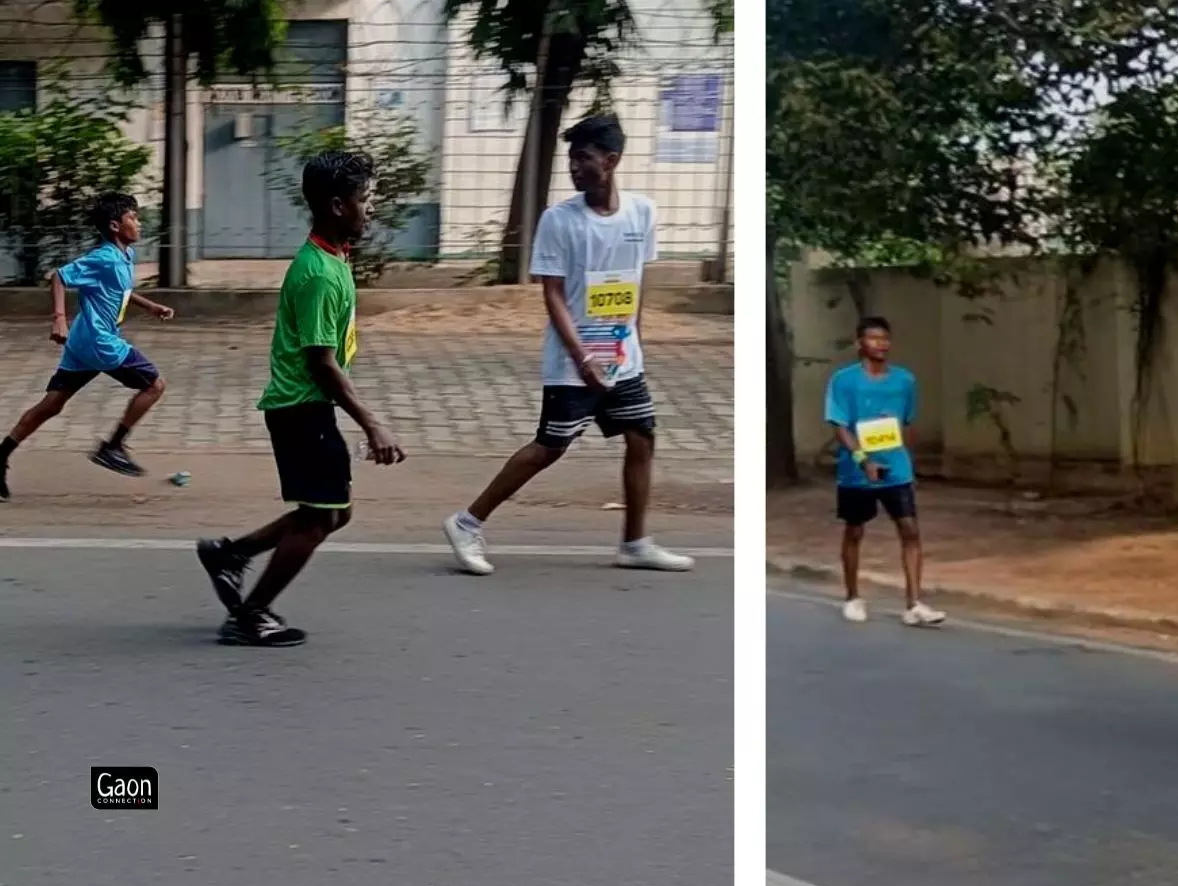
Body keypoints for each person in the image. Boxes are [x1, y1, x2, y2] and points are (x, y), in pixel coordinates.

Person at [441, 113, 693, 575]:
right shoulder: (559, 221)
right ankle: (466, 522)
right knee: (550, 446)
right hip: (573, 359)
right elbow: (552, 294)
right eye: (572, 159)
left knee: (642, 437)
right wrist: (582, 358)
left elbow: (636, 281)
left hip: (621, 356)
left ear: (611, 161)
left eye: (585, 158)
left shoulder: (642, 212)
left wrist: (635, 341)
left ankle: (635, 542)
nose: (576, 168)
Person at [195, 150, 405, 648]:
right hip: (301, 407)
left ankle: (231, 554)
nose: (369, 208)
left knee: (334, 511)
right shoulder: (318, 274)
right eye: (363, 199)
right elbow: (322, 363)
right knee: (318, 519)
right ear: (336, 206)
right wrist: (373, 423)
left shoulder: (333, 256)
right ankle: (251, 614)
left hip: (306, 407)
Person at [0, 192, 174, 500]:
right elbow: (59, 277)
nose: (139, 222)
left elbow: (120, 290)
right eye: (132, 218)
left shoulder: (125, 256)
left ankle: (0, 455)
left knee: (52, 405)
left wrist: (150, 306)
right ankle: (113, 446)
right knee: (155, 384)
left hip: (83, 342)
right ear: (115, 226)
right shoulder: (104, 257)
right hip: (99, 341)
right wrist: (58, 319)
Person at [825, 316, 945, 627]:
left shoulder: (905, 381)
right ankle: (853, 596)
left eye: (885, 338)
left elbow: (906, 425)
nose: (881, 344)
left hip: (895, 468)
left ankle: (914, 604)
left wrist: (907, 464)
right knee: (855, 530)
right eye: (874, 338)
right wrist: (863, 460)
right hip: (857, 469)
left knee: (910, 529)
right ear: (860, 344)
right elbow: (839, 426)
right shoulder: (844, 380)